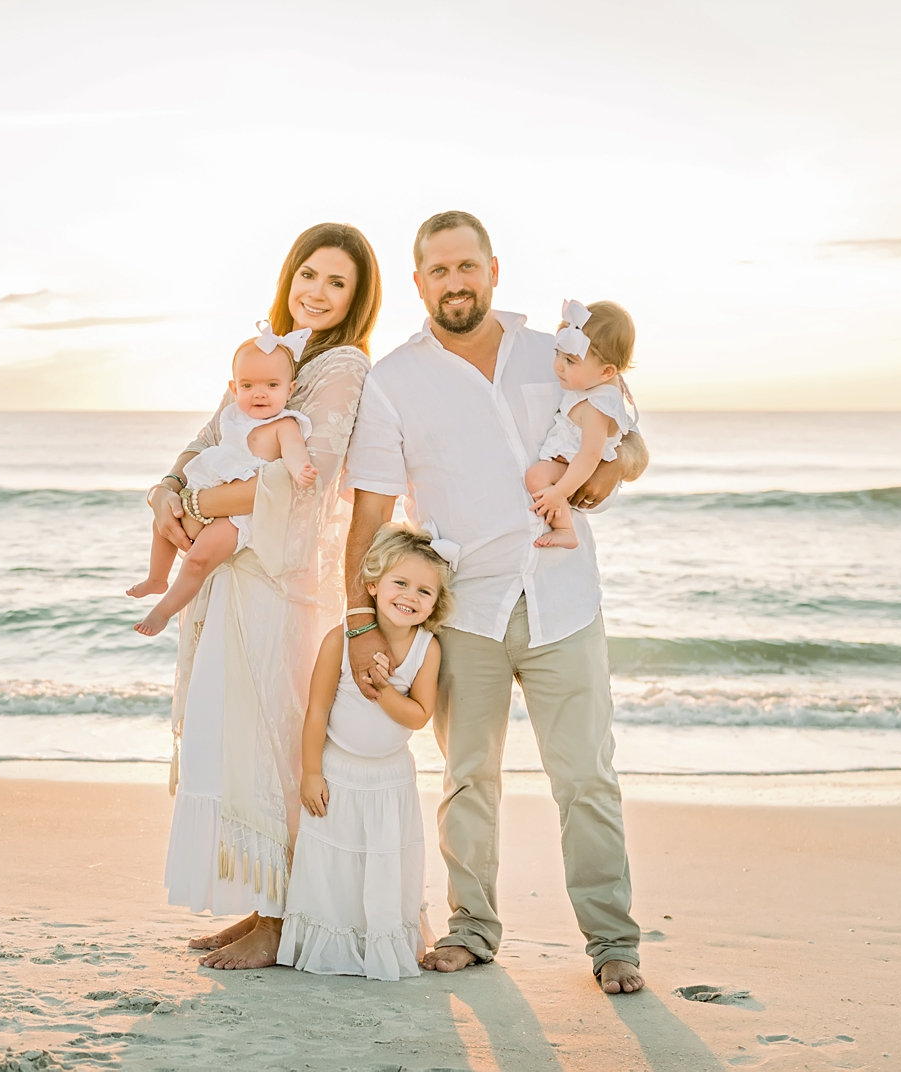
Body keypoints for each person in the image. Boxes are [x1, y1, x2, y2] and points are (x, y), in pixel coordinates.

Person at [342, 210, 650, 995]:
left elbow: (628, 441)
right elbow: (373, 511)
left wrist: (602, 481)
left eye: (466, 266)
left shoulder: (557, 353)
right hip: (465, 609)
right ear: (419, 283)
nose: (454, 282)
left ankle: (613, 943)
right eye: (438, 271)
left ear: (492, 270)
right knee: (467, 776)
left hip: (562, 600)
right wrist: (360, 620)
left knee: (586, 777)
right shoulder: (394, 381)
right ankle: (472, 930)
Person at [147, 222, 382, 970]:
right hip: (237, 578)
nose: (316, 291)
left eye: (336, 282)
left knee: (276, 741)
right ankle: (259, 905)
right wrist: (168, 489)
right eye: (308, 274)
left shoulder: (340, 365)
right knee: (238, 738)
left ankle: (284, 919)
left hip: (280, 582)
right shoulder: (274, 355)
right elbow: (205, 441)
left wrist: (206, 506)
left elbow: (298, 478)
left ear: (356, 298)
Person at [277, 524, 453, 981]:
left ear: (436, 604)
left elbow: (418, 715)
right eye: (400, 583)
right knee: (336, 861)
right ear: (372, 586)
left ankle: (376, 941)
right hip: (338, 771)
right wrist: (311, 773)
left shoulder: (426, 648)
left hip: (390, 780)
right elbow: (316, 712)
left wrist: (381, 691)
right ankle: (334, 942)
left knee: (382, 859)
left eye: (424, 591)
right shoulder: (340, 639)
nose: (410, 597)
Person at [128, 324, 319, 636]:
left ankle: (162, 612)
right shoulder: (232, 416)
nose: (259, 393)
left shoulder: (285, 424)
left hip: (238, 515)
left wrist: (302, 470)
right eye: (248, 385)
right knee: (161, 523)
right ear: (234, 387)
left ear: (291, 388)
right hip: (211, 486)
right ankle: (156, 577)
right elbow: (206, 443)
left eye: (272, 385)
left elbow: (295, 452)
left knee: (198, 560)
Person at [525, 298, 640, 549]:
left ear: (607, 372)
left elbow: (590, 455)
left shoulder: (597, 406)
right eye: (558, 354)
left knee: (536, 477)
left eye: (570, 361)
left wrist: (560, 492)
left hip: (575, 465)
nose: (558, 366)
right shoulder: (593, 384)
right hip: (570, 460)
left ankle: (565, 529)